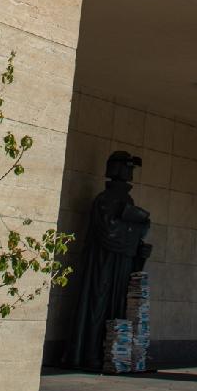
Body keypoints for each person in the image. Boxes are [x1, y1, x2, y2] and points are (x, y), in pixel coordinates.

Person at [66, 151, 152, 372]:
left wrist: (138, 241)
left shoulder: (126, 200)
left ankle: (112, 354)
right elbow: (109, 231)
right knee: (98, 303)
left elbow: (125, 231)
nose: (130, 172)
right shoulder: (104, 200)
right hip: (103, 263)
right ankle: (91, 353)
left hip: (120, 261)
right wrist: (137, 228)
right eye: (128, 167)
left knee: (117, 304)